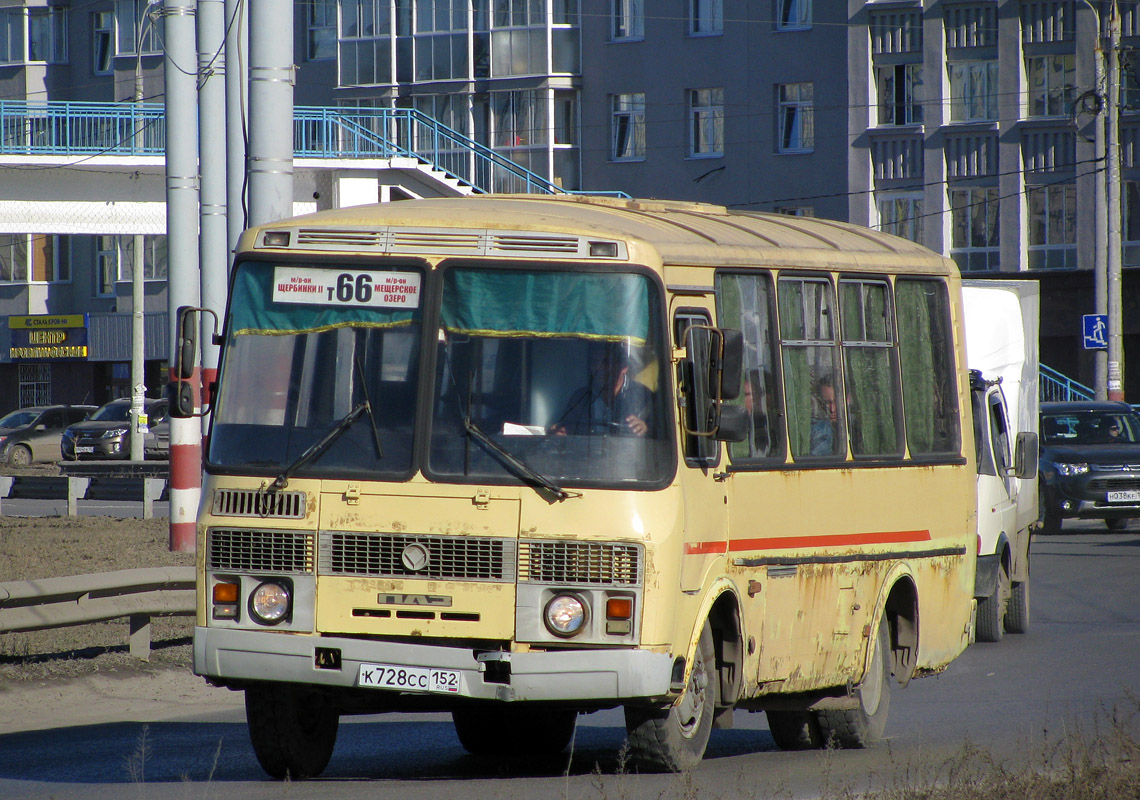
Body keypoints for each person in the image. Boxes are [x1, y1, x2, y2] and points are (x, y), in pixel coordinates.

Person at [550, 344, 653, 437]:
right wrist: (559, 433)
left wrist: (646, 429)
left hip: (626, 456)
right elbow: (566, 430)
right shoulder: (580, 399)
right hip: (587, 456)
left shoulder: (644, 397)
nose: (598, 368)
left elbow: (661, 437)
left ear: (624, 367)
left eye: (606, 363)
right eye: (595, 362)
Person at [810, 373, 838, 456]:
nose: (832, 409)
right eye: (826, 403)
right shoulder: (819, 430)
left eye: (837, 401)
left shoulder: (858, 427)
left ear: (848, 399)